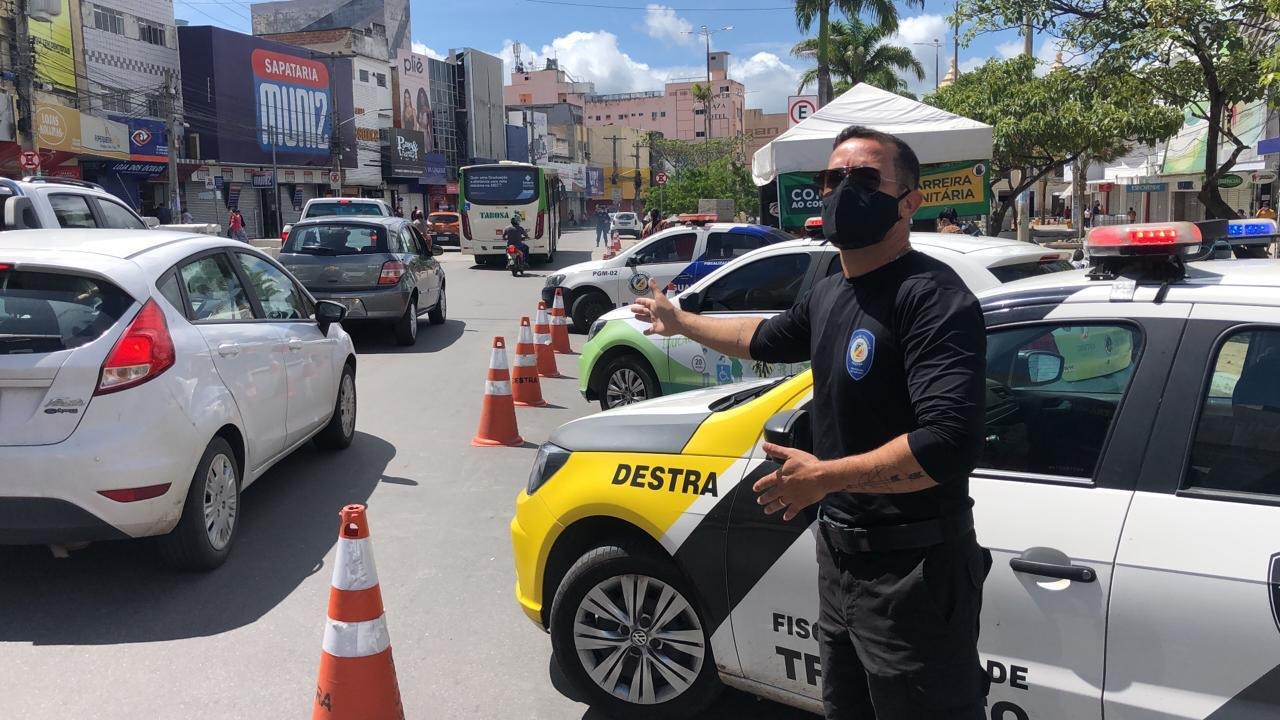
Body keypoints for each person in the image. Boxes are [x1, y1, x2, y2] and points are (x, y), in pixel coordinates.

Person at [632, 125, 991, 720]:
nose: (845, 189)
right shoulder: (830, 291)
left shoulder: (930, 297)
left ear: (909, 201)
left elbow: (947, 444)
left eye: (866, 178)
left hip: (913, 574)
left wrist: (826, 477)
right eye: (833, 178)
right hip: (841, 562)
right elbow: (762, 337)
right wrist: (681, 321)